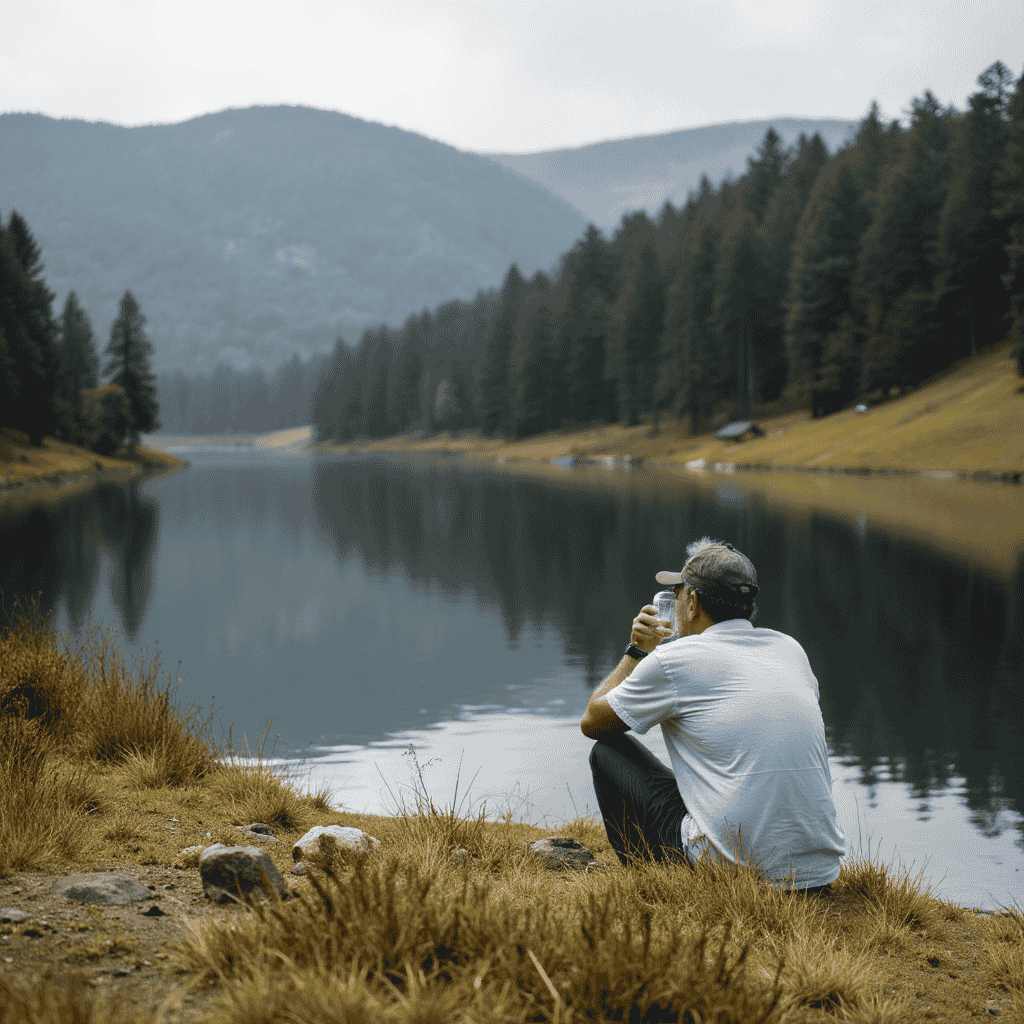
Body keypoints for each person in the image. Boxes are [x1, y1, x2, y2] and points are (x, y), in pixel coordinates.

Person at [579, 537, 845, 893]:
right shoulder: (789, 649)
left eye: (677, 593)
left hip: (732, 873)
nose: (674, 602)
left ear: (691, 602)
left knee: (607, 751)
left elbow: (593, 722)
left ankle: (651, 887)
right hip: (818, 873)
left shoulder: (674, 660)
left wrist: (636, 652)